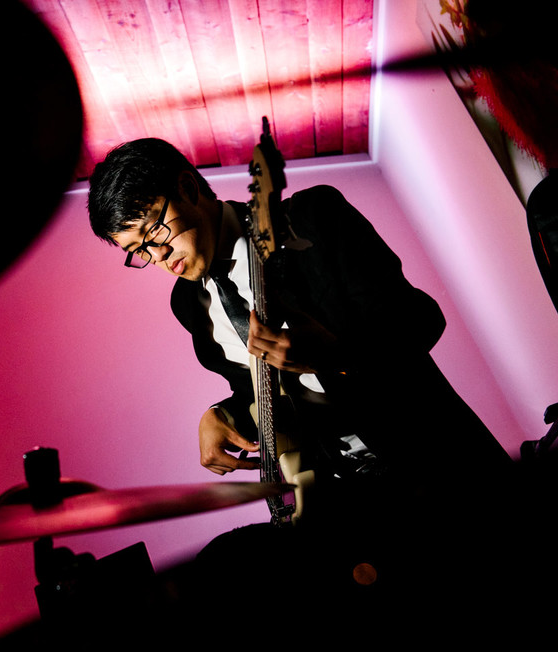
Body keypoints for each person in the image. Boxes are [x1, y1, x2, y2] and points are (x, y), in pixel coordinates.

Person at [87, 136, 513, 515]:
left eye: (154, 231)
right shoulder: (188, 304)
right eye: (138, 250)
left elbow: (419, 319)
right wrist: (223, 414)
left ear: (187, 187)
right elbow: (262, 386)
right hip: (343, 498)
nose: (157, 256)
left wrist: (336, 353)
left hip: (437, 458)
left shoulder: (313, 218)